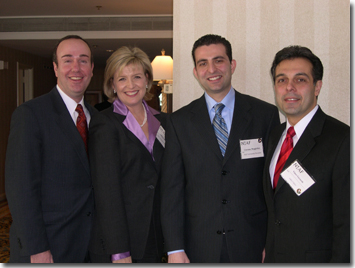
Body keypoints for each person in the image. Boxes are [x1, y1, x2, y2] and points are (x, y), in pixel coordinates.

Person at [160, 34, 280, 263]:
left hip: (252, 243)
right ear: (195, 72)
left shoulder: (265, 115)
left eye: (219, 60)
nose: (211, 69)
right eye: (202, 63)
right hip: (198, 245)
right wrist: (174, 248)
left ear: (232, 65)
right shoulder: (179, 121)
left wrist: (271, 241)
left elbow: (273, 185)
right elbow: (171, 191)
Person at [5, 35, 96, 263]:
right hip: (48, 248)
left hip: (90, 247)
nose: (76, 68)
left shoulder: (98, 118)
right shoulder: (31, 115)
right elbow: (21, 189)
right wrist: (37, 248)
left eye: (83, 60)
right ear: (55, 68)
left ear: (92, 69)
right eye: (67, 60)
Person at [263, 45, 350, 263]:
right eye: (281, 80)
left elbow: (347, 222)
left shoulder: (342, 139)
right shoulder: (274, 136)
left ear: (317, 86)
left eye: (300, 79)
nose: (289, 87)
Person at [88, 46, 166, 263]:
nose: (130, 85)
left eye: (137, 77)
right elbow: (107, 192)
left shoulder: (164, 121)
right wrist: (120, 251)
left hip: (154, 237)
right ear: (112, 85)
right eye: (122, 79)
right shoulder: (104, 123)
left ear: (148, 81)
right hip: (120, 242)